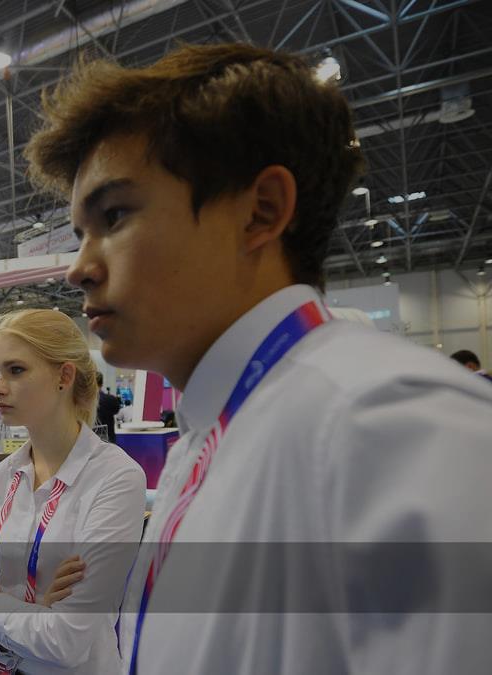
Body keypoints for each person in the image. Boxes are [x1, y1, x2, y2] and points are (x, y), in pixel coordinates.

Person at [24, 42, 492, 674]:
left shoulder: (394, 430)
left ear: (260, 212)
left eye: (115, 215)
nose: (79, 268)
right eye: (81, 233)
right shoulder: (212, 433)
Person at [0, 309, 145, 674]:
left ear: (64, 376)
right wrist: (33, 616)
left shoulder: (116, 479)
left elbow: (66, 642)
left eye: (16, 370)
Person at [94, 372, 121, 442]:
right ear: (102, 384)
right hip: (108, 438)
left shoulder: (82, 401)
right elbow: (116, 410)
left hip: (90, 439)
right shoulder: (110, 400)